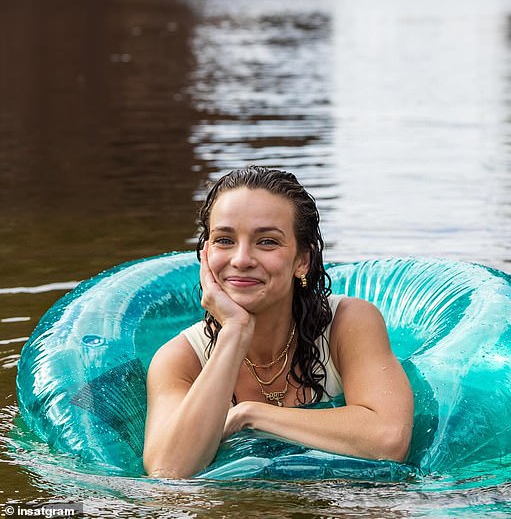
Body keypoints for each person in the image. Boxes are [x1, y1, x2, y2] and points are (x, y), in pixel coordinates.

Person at [143, 166, 413, 478]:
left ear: (302, 260)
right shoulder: (181, 358)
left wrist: (250, 414)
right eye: (224, 240)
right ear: (206, 255)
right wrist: (234, 330)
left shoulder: (348, 324)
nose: (241, 259)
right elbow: (168, 470)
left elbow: (389, 440)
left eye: (267, 241)